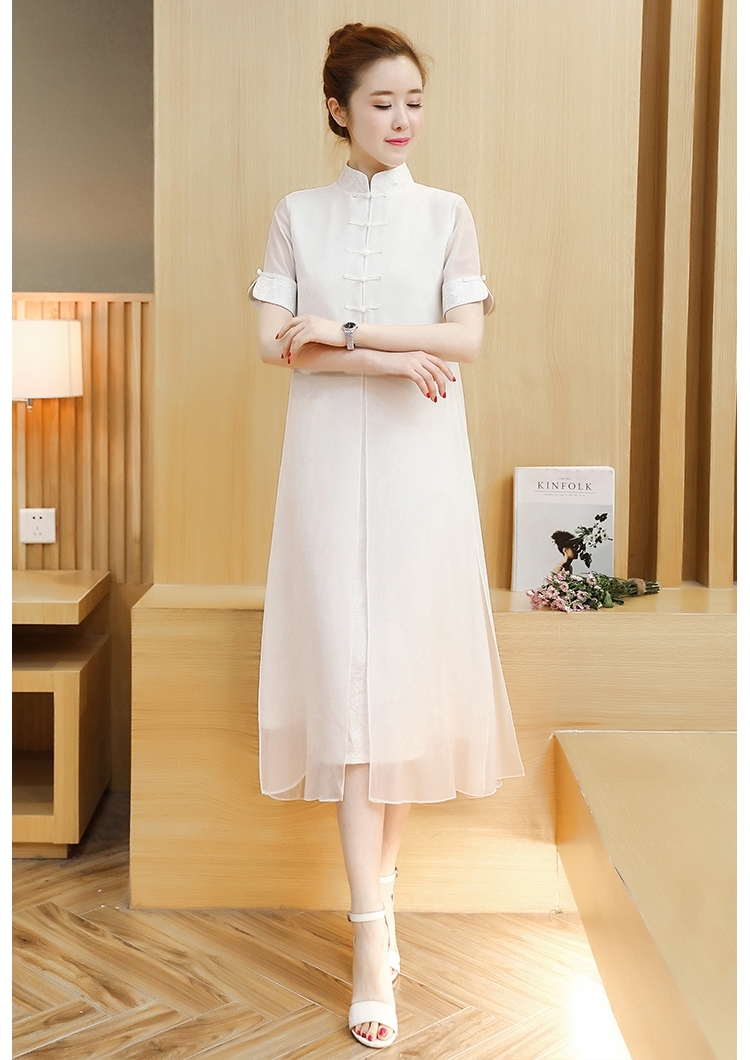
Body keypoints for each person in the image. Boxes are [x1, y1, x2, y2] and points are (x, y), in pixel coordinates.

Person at [249, 23, 523, 1050]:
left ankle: (377, 906)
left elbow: (466, 340)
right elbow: (277, 346)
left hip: (419, 477)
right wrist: (383, 359)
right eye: (381, 102)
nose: (402, 119)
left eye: (413, 101)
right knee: (353, 692)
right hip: (326, 475)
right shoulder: (298, 215)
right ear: (338, 108)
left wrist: (351, 332)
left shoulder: (447, 214)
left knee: (393, 696)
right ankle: (374, 938)